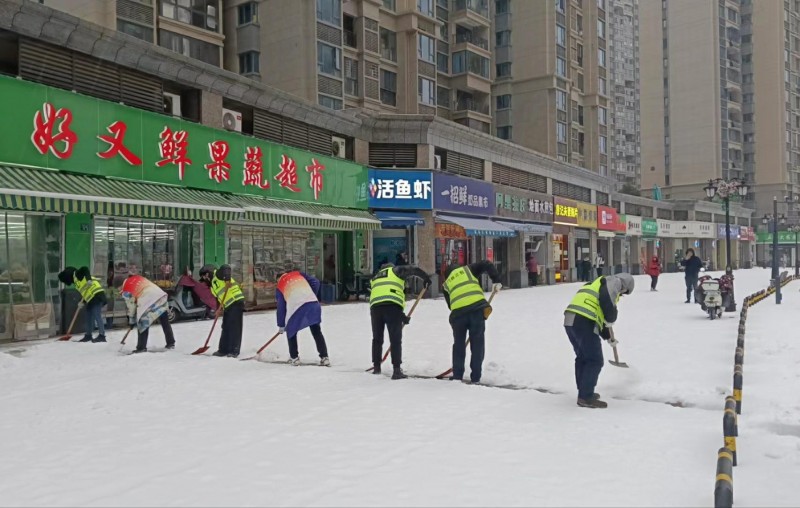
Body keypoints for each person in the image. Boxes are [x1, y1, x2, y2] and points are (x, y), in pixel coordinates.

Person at [564, 273, 635, 408]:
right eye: (625, 292)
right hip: (583, 320)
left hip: (571, 319)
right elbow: (607, 302)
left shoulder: (597, 283)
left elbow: (597, 311)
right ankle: (586, 397)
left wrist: (608, 337)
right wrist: (612, 317)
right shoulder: (615, 282)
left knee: (583, 358)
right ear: (625, 285)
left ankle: (584, 391)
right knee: (595, 360)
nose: (622, 295)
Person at [443, 260, 502, 384]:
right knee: (477, 344)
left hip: (458, 315)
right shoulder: (468, 270)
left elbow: (450, 304)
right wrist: (496, 279)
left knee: (458, 345)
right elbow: (486, 263)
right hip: (476, 310)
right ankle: (476, 376)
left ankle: (458, 375)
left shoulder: (446, 284)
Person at [369, 263, 432, 379]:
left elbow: (384, 295)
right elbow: (413, 269)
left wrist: (402, 317)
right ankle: (396, 370)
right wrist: (426, 278)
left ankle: (376, 367)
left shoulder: (375, 277)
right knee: (395, 339)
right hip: (393, 306)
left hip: (375, 309)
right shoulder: (395, 270)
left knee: (377, 339)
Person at [276, 270, 330, 366]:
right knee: (316, 330)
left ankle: (294, 357)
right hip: (313, 303)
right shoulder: (298, 274)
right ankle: (324, 357)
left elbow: (281, 307)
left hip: (296, 307)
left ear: (278, 279)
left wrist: (281, 325)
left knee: (291, 330)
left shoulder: (280, 284)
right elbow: (316, 282)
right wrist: (309, 294)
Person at [121, 271, 175, 353]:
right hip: (160, 296)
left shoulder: (126, 290)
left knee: (142, 322)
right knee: (165, 321)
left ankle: (141, 347)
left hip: (149, 301)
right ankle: (171, 342)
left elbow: (131, 307)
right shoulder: (137, 278)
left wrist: (131, 321)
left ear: (120, 286)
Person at [199, 264, 245, 358]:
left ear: (207, 274)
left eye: (204, 277)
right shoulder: (213, 286)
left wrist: (227, 280)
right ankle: (223, 350)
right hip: (228, 305)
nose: (204, 280)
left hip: (236, 301)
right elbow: (218, 298)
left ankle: (234, 350)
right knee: (225, 326)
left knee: (234, 327)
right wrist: (217, 310)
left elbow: (226, 267)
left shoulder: (218, 275)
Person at [58, 266, 107, 343]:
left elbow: (85, 268)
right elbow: (85, 292)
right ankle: (88, 335)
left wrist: (88, 280)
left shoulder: (77, 274)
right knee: (88, 316)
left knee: (97, 315)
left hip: (97, 295)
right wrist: (82, 302)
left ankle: (102, 335)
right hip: (90, 298)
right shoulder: (76, 281)